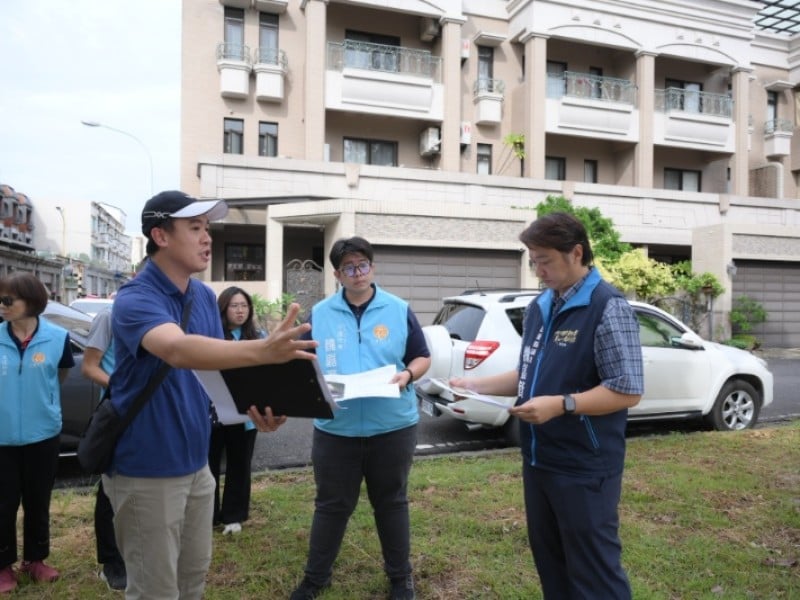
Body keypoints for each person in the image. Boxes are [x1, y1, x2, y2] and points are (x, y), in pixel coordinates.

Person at [101, 190, 317, 600]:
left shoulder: (201, 296)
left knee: (192, 579)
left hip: (197, 466)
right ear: (161, 236)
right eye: (195, 228)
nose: (207, 238)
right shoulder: (135, 298)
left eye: (208, 228)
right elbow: (178, 349)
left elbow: (219, 371)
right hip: (146, 469)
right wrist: (263, 349)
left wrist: (256, 408)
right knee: (154, 589)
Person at [450, 212, 644, 600]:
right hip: (539, 459)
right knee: (552, 565)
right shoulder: (542, 306)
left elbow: (627, 390)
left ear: (576, 253)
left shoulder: (608, 307)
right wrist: (474, 384)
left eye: (545, 260)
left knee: (595, 572)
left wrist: (562, 404)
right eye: (533, 261)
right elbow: (527, 372)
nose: (538, 270)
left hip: (584, 466)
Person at [287, 236, 431, 600]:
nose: (357, 273)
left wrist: (408, 375)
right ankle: (314, 579)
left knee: (391, 502)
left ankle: (401, 579)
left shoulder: (398, 308)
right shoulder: (319, 314)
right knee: (331, 506)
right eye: (348, 268)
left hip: (393, 426)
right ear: (337, 274)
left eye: (362, 265)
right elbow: (300, 361)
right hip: (337, 429)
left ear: (373, 267)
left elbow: (421, 356)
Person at [0, 273, 75, 594]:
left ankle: (35, 560)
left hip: (43, 435)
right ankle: (3, 566)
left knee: (38, 501)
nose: (1, 306)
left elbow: (59, 377)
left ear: (30, 303)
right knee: (2, 504)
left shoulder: (59, 338)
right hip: (1, 439)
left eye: (7, 301)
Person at [208, 286, 264, 535]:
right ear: (223, 308)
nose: (240, 311)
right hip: (214, 412)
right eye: (234, 306)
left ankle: (234, 515)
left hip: (245, 414)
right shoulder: (212, 335)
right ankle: (207, 515)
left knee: (239, 464)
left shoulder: (257, 335)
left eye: (244, 306)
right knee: (208, 464)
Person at [80, 306, 127, 591]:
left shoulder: (166, 315)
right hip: (117, 413)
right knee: (111, 487)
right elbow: (89, 367)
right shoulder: (109, 317)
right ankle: (112, 563)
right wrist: (125, 387)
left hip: (154, 416)